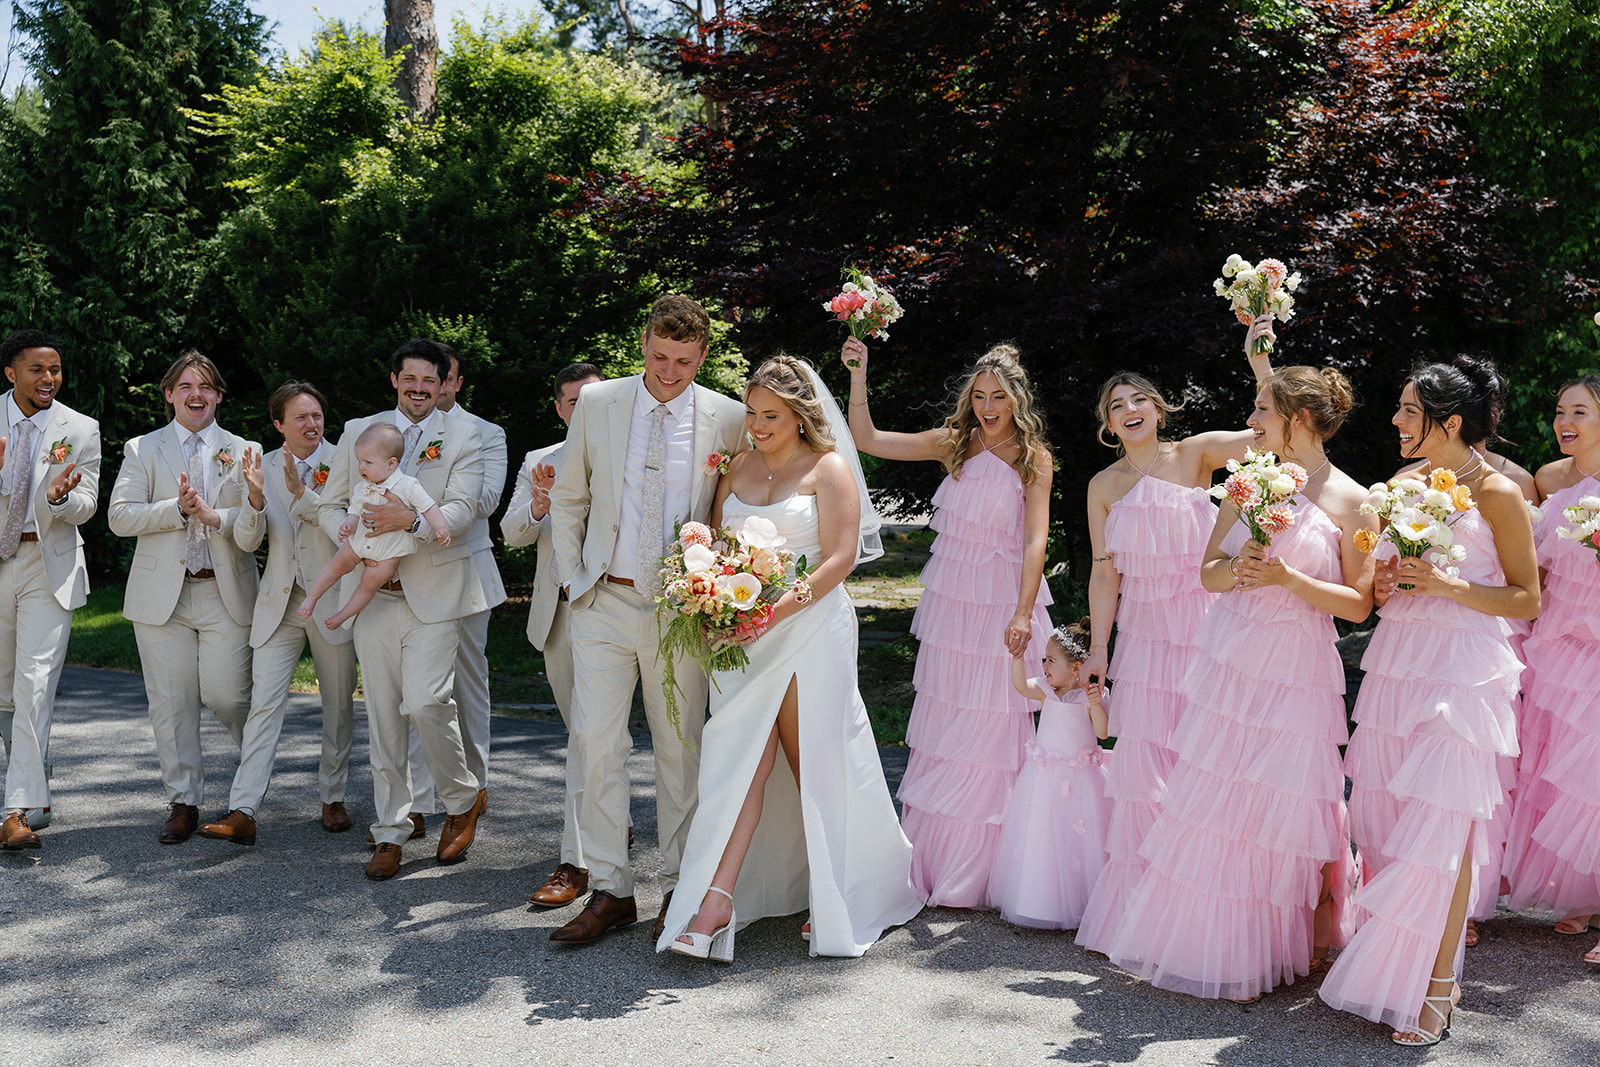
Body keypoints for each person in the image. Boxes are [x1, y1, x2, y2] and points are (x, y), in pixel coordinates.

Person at [1106, 366, 1374, 1000]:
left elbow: (1358, 605)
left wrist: (1287, 580)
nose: (1250, 421)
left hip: (1299, 669)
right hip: (1231, 662)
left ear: (1297, 419)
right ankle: (1225, 948)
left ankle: (1285, 942)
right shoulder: (1248, 483)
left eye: (1261, 410)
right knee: (1221, 803)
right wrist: (1242, 567)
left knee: (1282, 803)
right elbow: (1209, 574)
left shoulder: (1353, 500)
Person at [658, 355, 922, 961]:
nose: (757, 425)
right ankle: (717, 899)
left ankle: (841, 891)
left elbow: (840, 559)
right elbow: (714, 540)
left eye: (770, 415)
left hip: (808, 629)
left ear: (801, 415)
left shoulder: (827, 470)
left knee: (813, 762)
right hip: (739, 636)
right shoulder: (737, 468)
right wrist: (712, 596)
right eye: (751, 413)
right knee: (740, 760)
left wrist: (766, 614)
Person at [1322, 356, 1538, 1045]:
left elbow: (1527, 596)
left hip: (1465, 672)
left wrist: (1448, 586)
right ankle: (1395, 966)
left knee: (1443, 829)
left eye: (1409, 410)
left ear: (1448, 423)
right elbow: (1380, 585)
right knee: (1387, 818)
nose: (1395, 420)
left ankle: (1438, 988)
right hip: (1401, 661)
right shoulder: (1399, 485)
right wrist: (1391, 579)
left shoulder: (1501, 493)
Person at [547, 295, 748, 943]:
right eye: (659, 356)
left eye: (683, 361)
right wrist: (576, 582)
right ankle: (610, 888)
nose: (669, 371)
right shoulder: (601, 402)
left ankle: (679, 887)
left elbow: (733, 508)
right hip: (602, 599)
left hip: (679, 611)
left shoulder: (728, 417)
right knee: (596, 745)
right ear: (643, 343)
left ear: (703, 355)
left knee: (680, 750)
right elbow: (570, 496)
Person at [841, 336, 1054, 909]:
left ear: (1017, 400)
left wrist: (1023, 610)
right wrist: (860, 375)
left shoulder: (1034, 459)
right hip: (953, 604)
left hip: (1004, 599)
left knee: (996, 724)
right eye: (980, 395)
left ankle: (989, 869)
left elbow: (1036, 541)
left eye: (999, 398)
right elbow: (868, 441)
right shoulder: (953, 445)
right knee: (947, 718)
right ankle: (935, 859)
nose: (988, 407)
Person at [1073, 353, 1268, 954]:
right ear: (1107, 425)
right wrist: (1100, 650)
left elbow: (1270, 433)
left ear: (1160, 408)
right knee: (1145, 773)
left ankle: (1207, 911)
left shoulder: (1197, 454)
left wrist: (1261, 361)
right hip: (1145, 638)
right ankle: (1144, 919)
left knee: (1209, 766)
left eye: (1139, 400)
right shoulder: (1102, 487)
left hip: (1208, 628)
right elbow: (1104, 577)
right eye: (1116, 405)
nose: (1130, 410)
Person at [317, 339, 488, 880]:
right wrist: (358, 542)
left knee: (426, 702)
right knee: (385, 716)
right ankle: (389, 831)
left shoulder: (467, 435)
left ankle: (461, 798)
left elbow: (460, 509)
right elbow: (329, 503)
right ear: (394, 380)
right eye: (408, 378)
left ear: (445, 384)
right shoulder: (356, 432)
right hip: (371, 600)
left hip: (435, 593)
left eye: (429, 380)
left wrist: (408, 525)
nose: (418, 388)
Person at [107, 351, 264, 844]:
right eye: (185, 386)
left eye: (206, 386)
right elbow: (120, 517)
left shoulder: (244, 449)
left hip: (225, 589)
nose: (196, 394)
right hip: (162, 596)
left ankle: (251, 780)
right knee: (171, 703)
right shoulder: (142, 449)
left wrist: (221, 516)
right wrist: (177, 509)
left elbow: (255, 533)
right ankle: (184, 801)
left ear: (219, 395)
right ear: (169, 393)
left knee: (229, 695)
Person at [196, 382, 361, 845]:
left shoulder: (346, 460)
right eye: (301, 418)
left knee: (339, 706)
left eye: (317, 416)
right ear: (278, 425)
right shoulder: (259, 466)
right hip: (280, 604)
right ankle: (243, 810)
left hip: (332, 602)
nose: (312, 425)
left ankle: (333, 795)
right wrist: (253, 500)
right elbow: (248, 541)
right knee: (264, 706)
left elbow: (353, 532)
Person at [1504, 374, 1600, 964]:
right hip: (1559, 644)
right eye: (1560, 410)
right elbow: (1536, 570)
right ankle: (1587, 892)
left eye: (1581, 411)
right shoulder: (1547, 479)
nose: (1566, 421)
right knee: (1569, 773)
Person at [503, 362, 605, 907]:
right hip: (561, 614)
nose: (583, 410)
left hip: (614, 611)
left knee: (587, 735)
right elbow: (513, 534)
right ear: (561, 409)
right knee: (582, 733)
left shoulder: (626, 454)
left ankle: (577, 862)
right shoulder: (538, 461)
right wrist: (540, 503)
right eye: (574, 402)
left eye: (594, 400)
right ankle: (605, 823)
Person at [0, 330, 100, 851]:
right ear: (12, 373)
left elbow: (88, 503)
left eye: (56, 369)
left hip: (48, 562)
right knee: (4, 693)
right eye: (37, 369)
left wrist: (62, 500)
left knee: (34, 684)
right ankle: (34, 774)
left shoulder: (80, 429)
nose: (49, 379)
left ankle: (14, 810)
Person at [985, 619, 1111, 931]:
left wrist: (1096, 704)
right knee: (1043, 837)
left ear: (1077, 668)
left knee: (1079, 842)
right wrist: (1017, 659)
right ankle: (1040, 901)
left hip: (1081, 782)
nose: (1044, 665)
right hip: (1044, 781)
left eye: (1051, 660)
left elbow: (1104, 732)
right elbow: (1021, 687)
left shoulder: (1090, 695)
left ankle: (1082, 902)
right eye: (1044, 659)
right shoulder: (1045, 691)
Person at [299, 423, 450, 628]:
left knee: (369, 583)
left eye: (368, 462)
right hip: (359, 541)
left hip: (389, 551)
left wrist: (441, 527)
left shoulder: (408, 485)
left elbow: (429, 507)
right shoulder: (362, 487)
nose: (361, 468)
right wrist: (348, 525)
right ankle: (312, 597)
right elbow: (354, 511)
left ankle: (343, 615)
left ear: (391, 463)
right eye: (359, 461)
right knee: (336, 565)